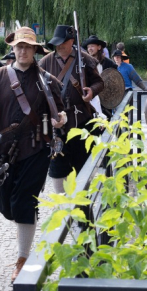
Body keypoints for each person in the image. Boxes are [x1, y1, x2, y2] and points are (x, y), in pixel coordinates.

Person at [0, 27, 66, 282]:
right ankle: (25, 221)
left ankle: (22, 260)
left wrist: (61, 119)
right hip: (3, 152)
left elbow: (61, 111)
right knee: (5, 206)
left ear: (35, 50)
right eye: (19, 46)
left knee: (24, 203)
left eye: (27, 47)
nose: (22, 51)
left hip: (36, 149)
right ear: (13, 48)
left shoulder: (47, 80)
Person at [38, 25, 104, 194]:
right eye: (57, 43)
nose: (59, 46)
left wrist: (91, 91)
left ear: (71, 41)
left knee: (84, 164)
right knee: (57, 166)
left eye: (62, 43)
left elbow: (99, 83)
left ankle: (84, 204)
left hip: (81, 121)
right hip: (57, 125)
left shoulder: (85, 59)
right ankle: (63, 206)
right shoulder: (46, 62)